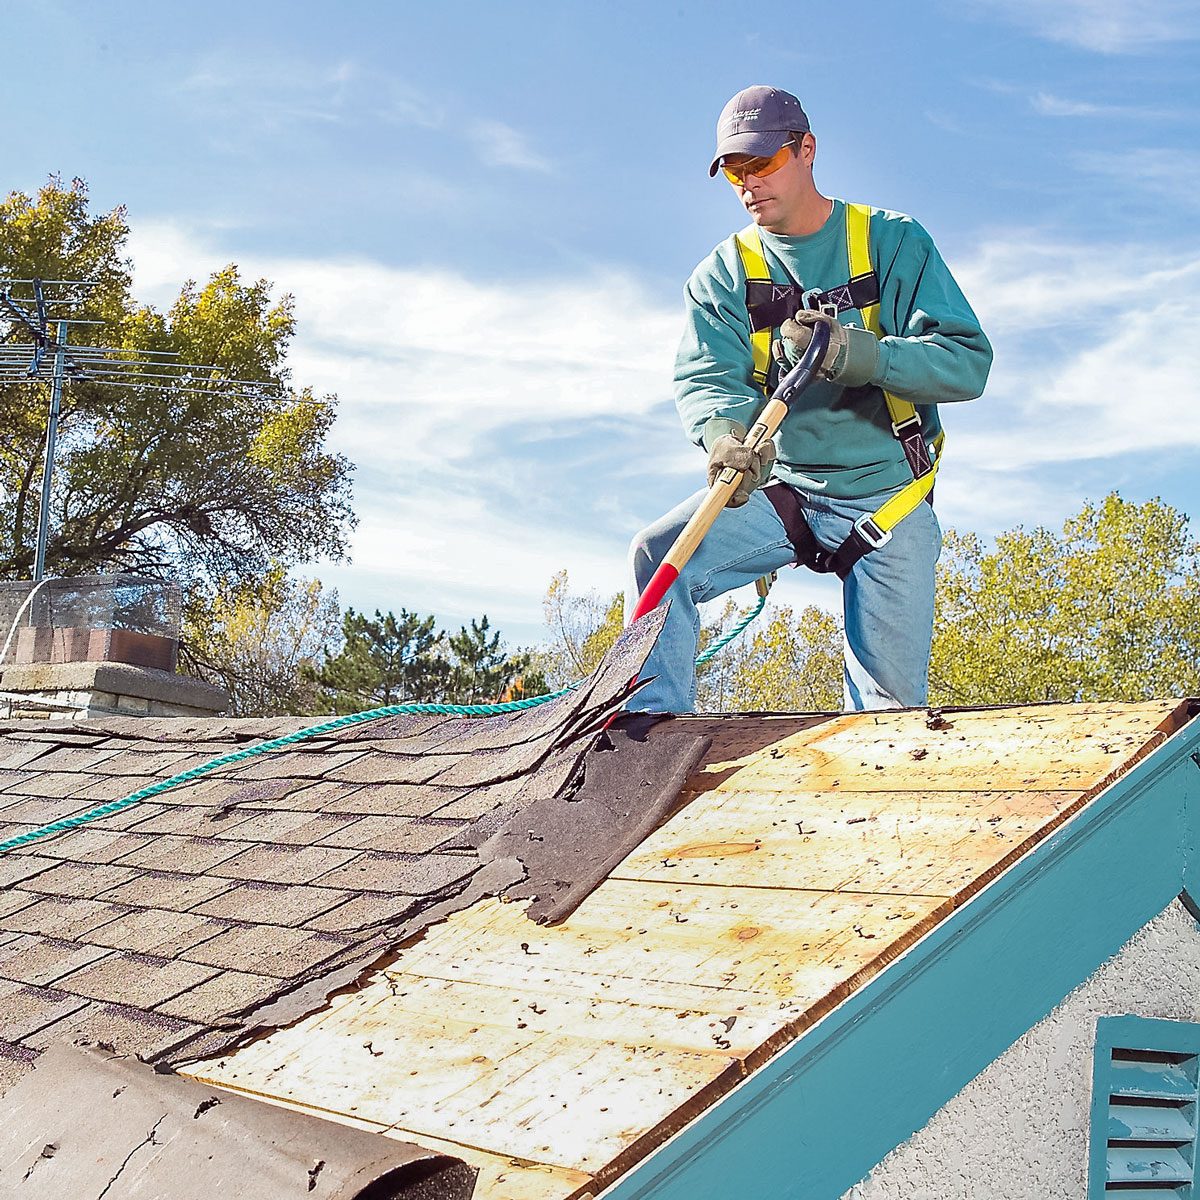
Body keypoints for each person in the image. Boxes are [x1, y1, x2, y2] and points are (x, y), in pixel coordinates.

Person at [627, 84, 992, 713]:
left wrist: (862, 356)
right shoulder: (723, 274)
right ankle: (651, 744)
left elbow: (966, 366)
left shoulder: (894, 243)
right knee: (660, 557)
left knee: (887, 720)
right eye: (735, 170)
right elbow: (708, 378)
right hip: (787, 489)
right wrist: (725, 438)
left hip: (889, 500)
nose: (748, 183)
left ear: (808, 151)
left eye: (763, 163)